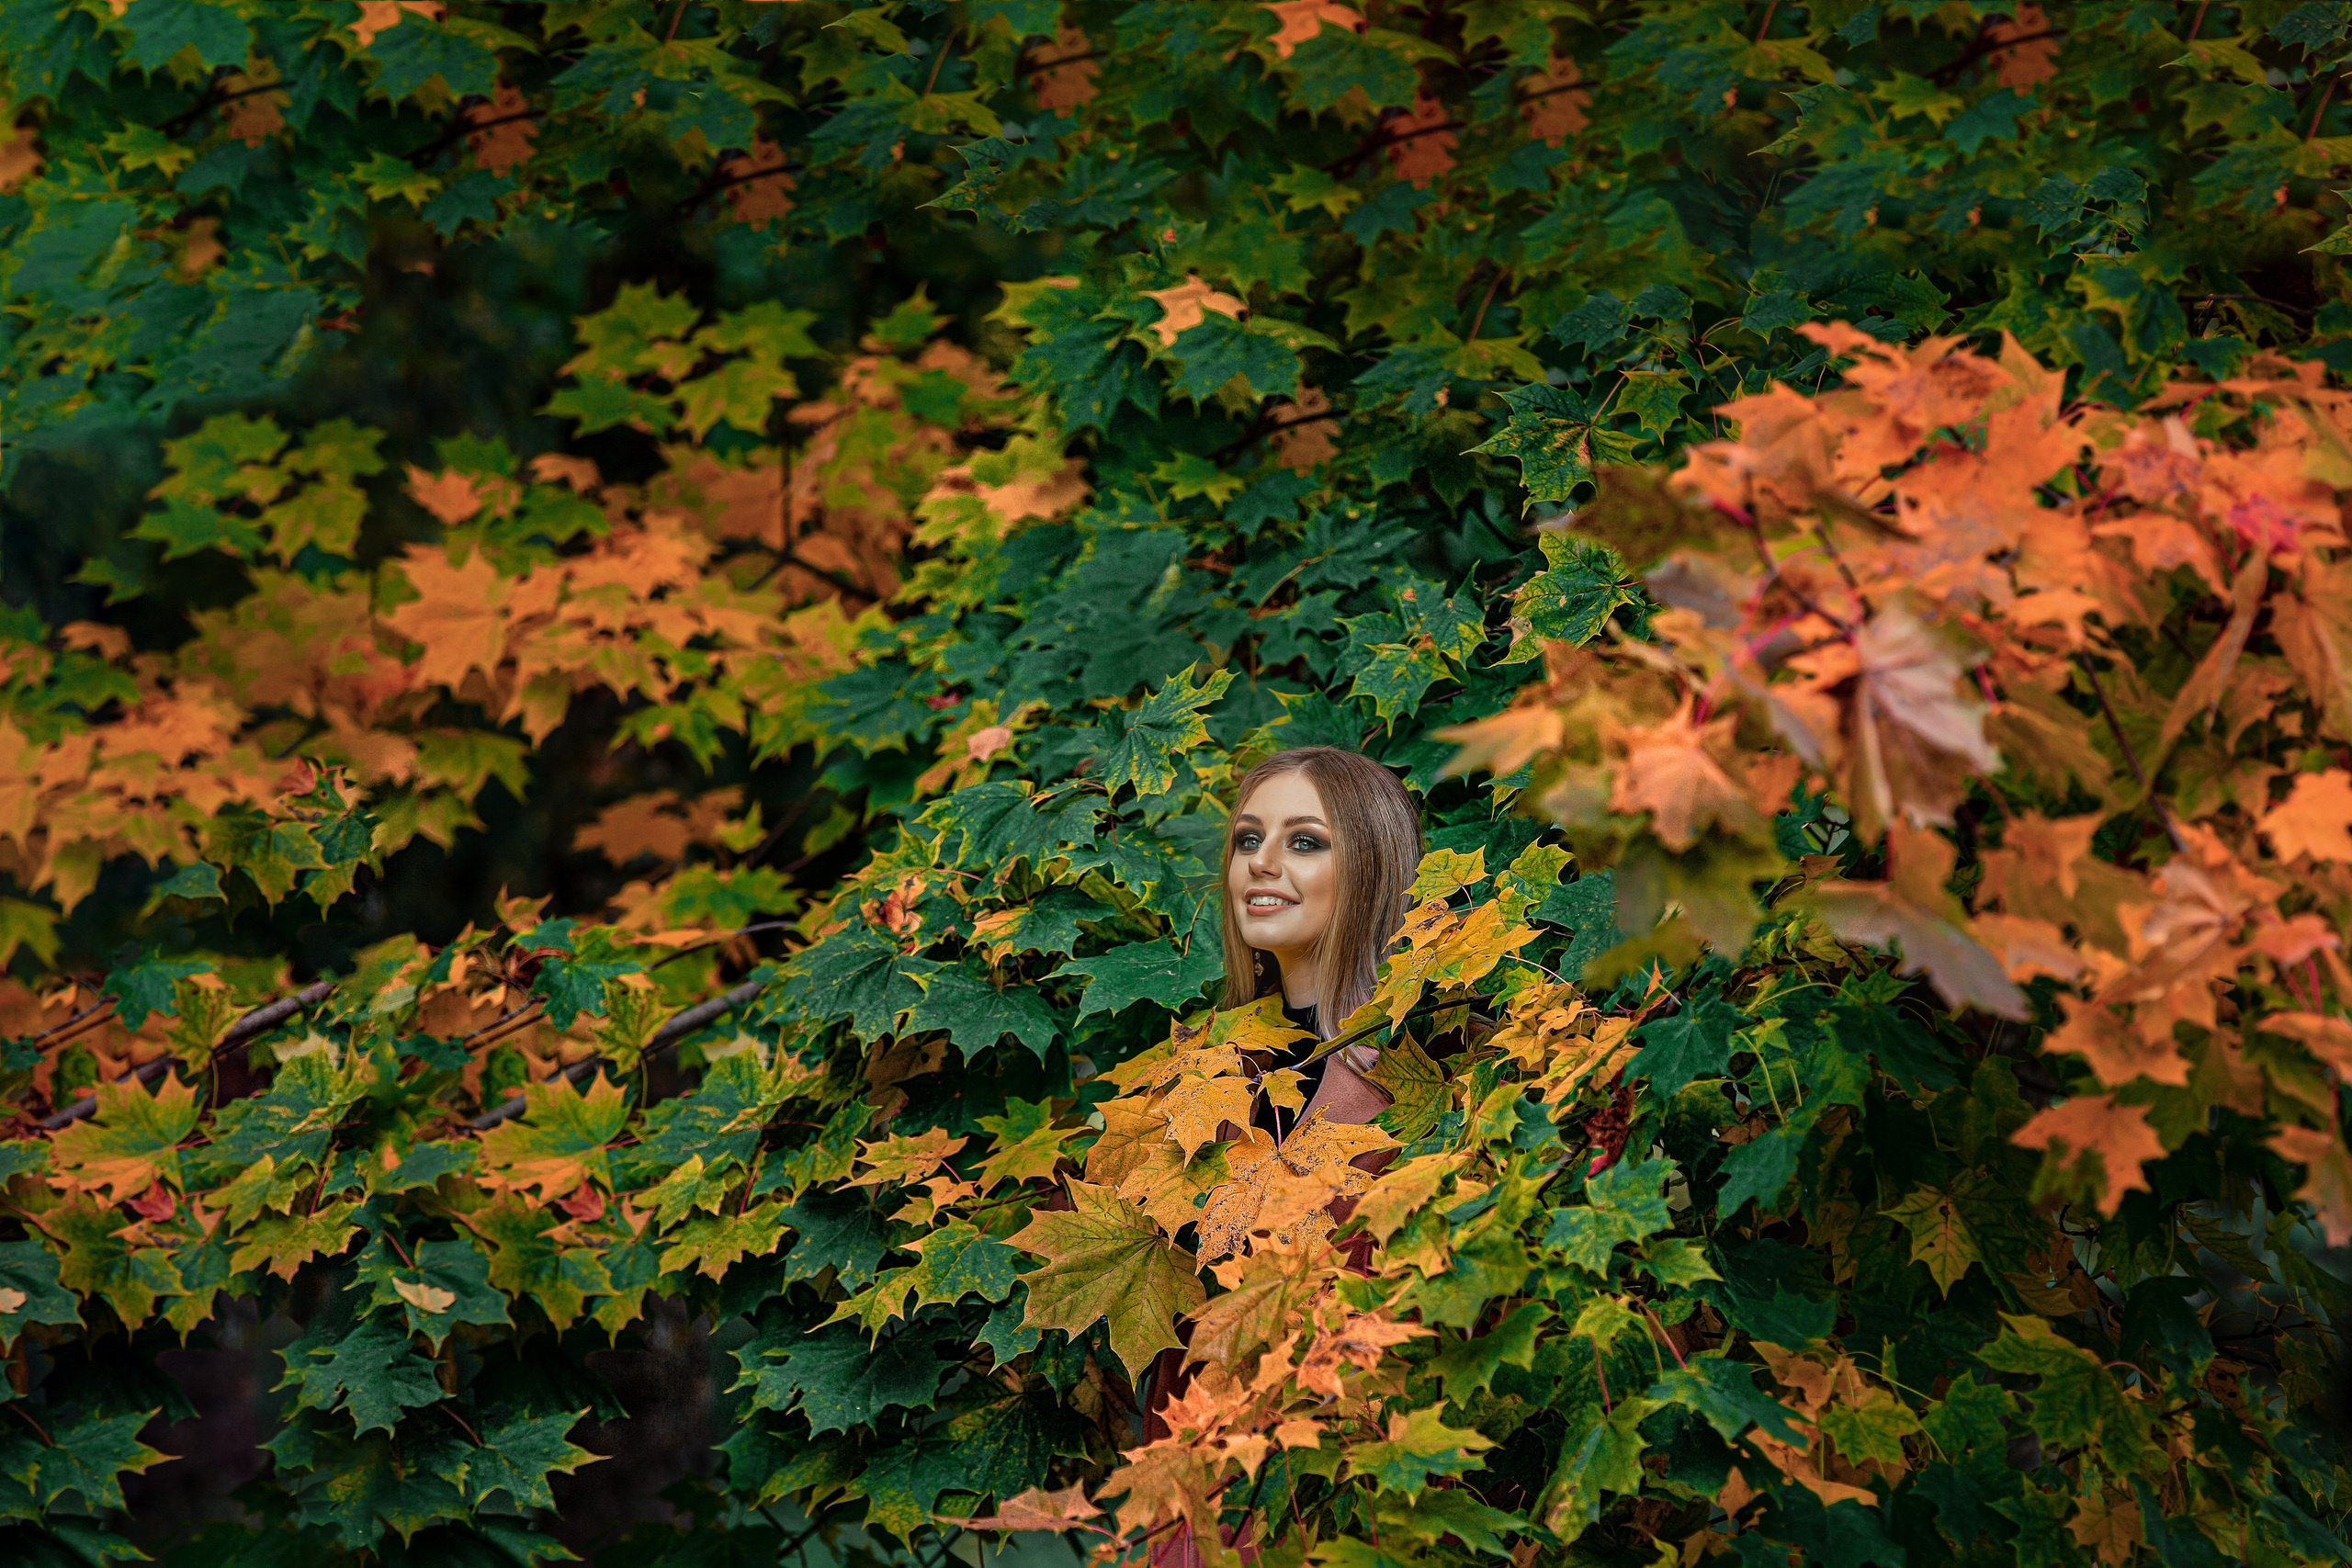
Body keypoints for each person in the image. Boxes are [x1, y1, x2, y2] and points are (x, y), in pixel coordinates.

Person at [1220, 745, 1423, 1138]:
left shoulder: (1445, 1057)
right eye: (1248, 839)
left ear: (1370, 870)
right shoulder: (1212, 1065)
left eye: (1304, 842)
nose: (1258, 861)